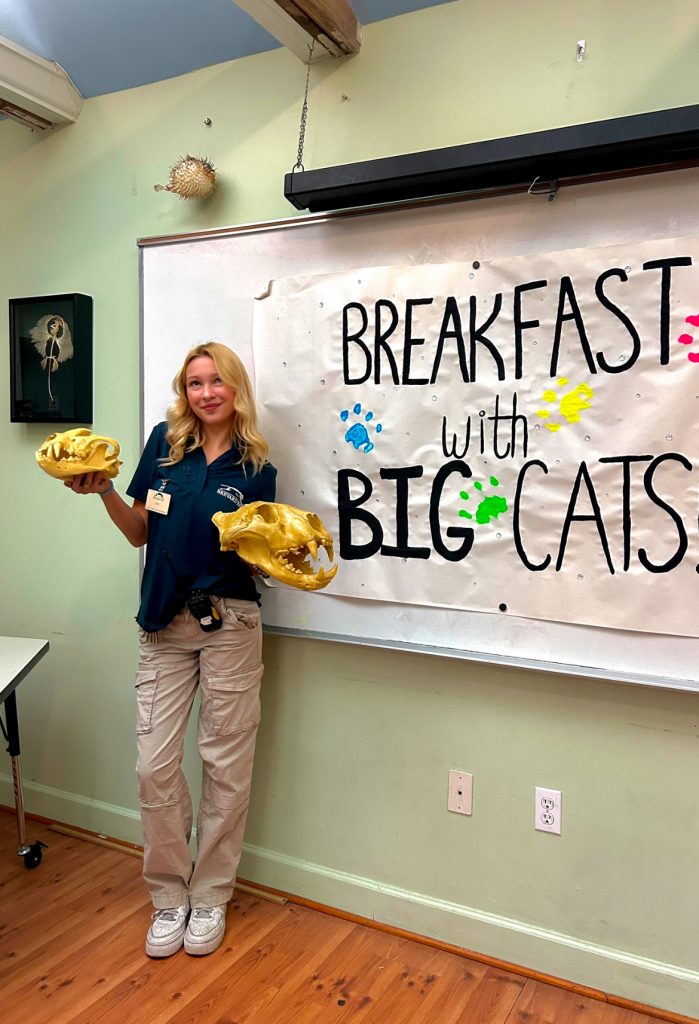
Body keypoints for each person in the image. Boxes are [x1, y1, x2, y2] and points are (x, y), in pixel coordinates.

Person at [65, 341, 277, 958]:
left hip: (231, 624)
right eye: (194, 383)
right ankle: (169, 896)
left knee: (225, 767)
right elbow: (140, 532)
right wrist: (103, 490)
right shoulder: (164, 445)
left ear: (236, 387)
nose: (206, 393)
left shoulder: (256, 463)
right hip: (162, 623)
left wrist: (273, 554)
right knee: (153, 765)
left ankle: (209, 896)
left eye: (217, 381)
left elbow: (259, 553)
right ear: (184, 392)